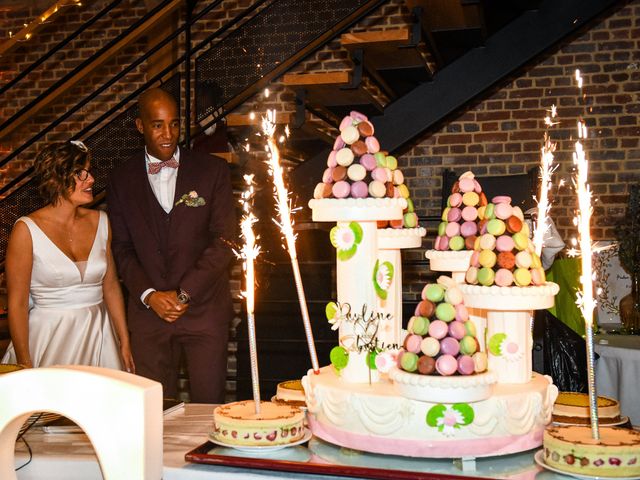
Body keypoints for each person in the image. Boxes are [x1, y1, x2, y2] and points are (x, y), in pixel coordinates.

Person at [107, 88, 235, 403]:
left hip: (204, 312)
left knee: (208, 409)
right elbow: (121, 249)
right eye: (158, 125)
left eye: (174, 124)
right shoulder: (120, 180)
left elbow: (225, 241)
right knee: (154, 414)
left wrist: (183, 293)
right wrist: (150, 296)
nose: (168, 134)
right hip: (149, 320)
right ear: (140, 126)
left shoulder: (212, 171)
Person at [2, 141, 134, 371]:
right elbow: (18, 303)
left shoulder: (101, 222)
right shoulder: (26, 230)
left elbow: (111, 286)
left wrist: (124, 341)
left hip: (99, 336)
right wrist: (24, 362)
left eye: (89, 172)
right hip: (50, 338)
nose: (91, 179)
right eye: (81, 174)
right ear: (56, 179)